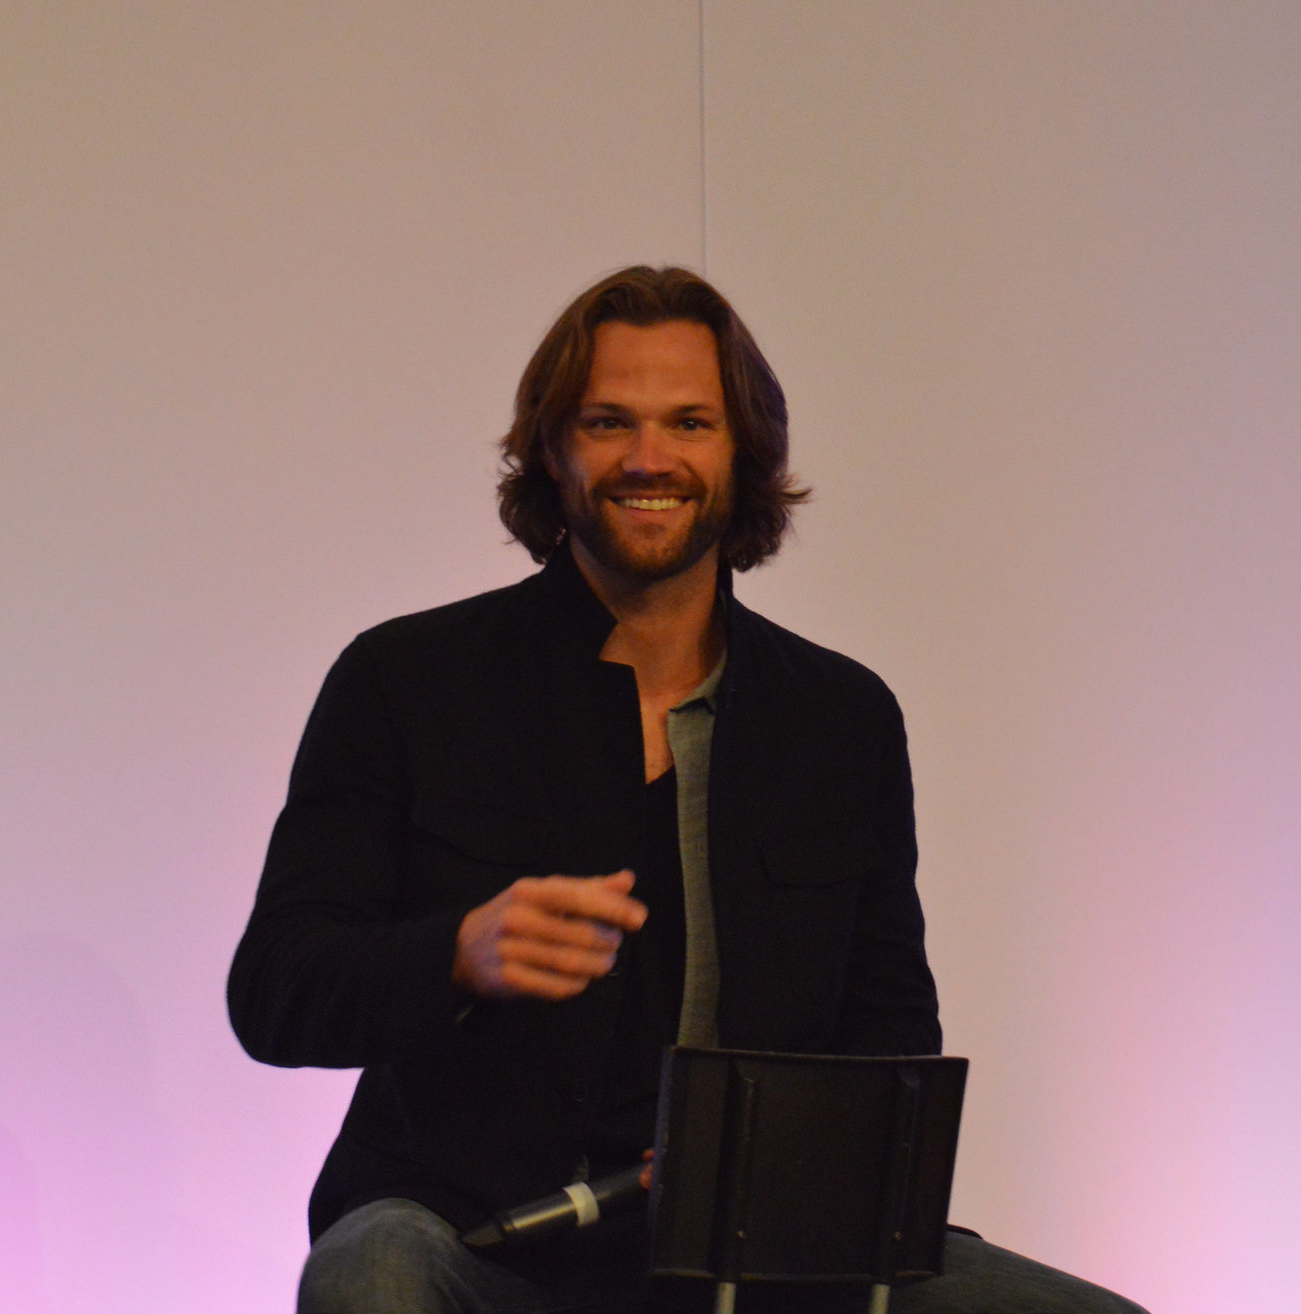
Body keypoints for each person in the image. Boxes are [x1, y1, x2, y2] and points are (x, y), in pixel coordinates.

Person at [229, 266, 1146, 1313]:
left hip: (766, 1258)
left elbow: (889, 1034)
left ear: (742, 452)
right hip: (476, 1241)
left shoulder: (841, 718)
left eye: (690, 424)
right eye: (608, 422)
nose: (647, 458)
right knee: (370, 1274)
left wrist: (782, 1166)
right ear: (551, 449)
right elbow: (276, 990)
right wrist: (456, 955)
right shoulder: (404, 681)